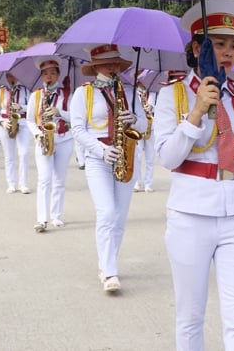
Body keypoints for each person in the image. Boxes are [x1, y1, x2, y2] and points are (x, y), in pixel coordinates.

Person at [153, 0, 234, 350]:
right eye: (219, 44)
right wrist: (194, 114)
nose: (228, 52)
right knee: (190, 317)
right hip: (190, 215)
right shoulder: (172, 96)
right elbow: (168, 158)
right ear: (197, 48)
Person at [68, 44, 147, 293]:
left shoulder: (131, 91)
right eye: (107, 63)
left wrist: (135, 118)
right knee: (107, 212)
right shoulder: (84, 94)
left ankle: (107, 263)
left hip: (125, 152)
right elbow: (78, 130)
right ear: (95, 67)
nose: (113, 67)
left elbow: (144, 126)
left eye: (116, 63)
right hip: (98, 156)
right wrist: (101, 150)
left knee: (120, 216)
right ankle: (109, 271)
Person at [26, 58, 73, 233]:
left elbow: (76, 116)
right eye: (45, 74)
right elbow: (30, 120)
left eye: (53, 73)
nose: (49, 76)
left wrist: (60, 112)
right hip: (43, 140)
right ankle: (42, 219)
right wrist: (37, 134)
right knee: (44, 179)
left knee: (59, 180)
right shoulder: (36, 95)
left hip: (64, 138)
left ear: (59, 75)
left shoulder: (68, 94)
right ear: (41, 76)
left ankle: (56, 215)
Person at [0, 73, 32, 194]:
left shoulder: (25, 90)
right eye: (9, 76)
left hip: (22, 123)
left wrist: (21, 107)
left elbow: (32, 107)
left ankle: (23, 184)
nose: (11, 79)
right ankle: (11, 183)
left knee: (24, 153)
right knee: (9, 156)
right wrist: (1, 122)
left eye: (14, 76)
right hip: (6, 124)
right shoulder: (1, 91)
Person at [133, 83, 156, 193]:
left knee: (150, 158)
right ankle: (137, 182)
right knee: (137, 157)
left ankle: (148, 183)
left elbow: (161, 107)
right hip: (138, 127)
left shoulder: (154, 92)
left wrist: (152, 107)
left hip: (151, 127)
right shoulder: (134, 92)